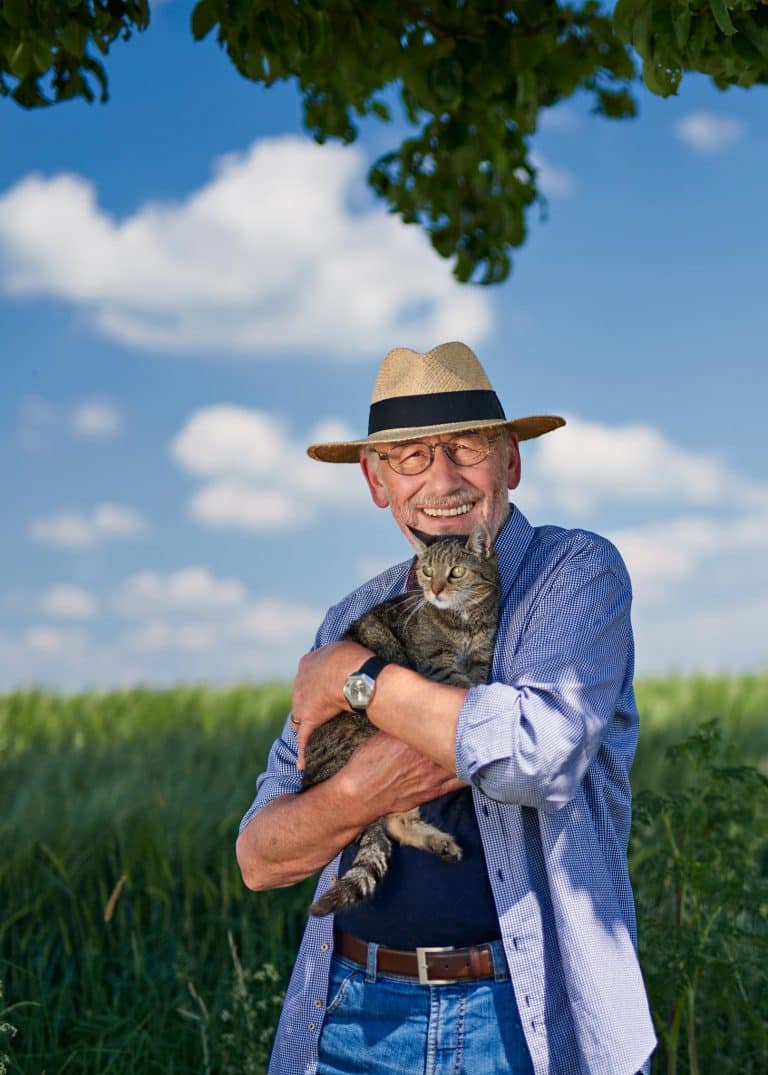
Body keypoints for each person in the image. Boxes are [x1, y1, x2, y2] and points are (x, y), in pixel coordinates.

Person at [236, 341, 657, 1075]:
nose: (442, 479)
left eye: (466, 447)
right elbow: (260, 855)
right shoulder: (354, 611)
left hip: (525, 1020)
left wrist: (357, 679)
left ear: (511, 462)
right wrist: (357, 792)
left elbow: (537, 758)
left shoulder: (575, 572)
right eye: (409, 456)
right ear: (376, 480)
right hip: (350, 1020)